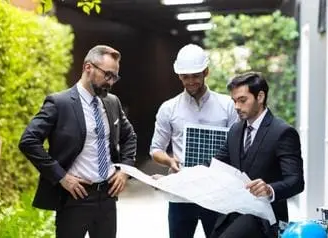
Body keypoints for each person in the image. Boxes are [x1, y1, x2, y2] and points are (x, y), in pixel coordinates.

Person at [19, 45, 137, 238]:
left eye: (115, 77)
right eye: (107, 75)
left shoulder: (112, 102)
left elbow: (129, 137)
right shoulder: (59, 103)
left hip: (107, 197)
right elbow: (28, 140)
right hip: (75, 197)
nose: (111, 82)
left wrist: (124, 170)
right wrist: (61, 177)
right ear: (88, 67)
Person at [150, 43, 239, 238]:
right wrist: (169, 161)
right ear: (179, 76)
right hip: (182, 194)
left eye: (196, 76)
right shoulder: (168, 108)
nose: (191, 81)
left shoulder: (227, 106)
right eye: (185, 77)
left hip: (217, 194)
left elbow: (238, 147)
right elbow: (156, 149)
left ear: (206, 71)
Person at [210, 72, 305, 238]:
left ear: (260, 97)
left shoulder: (283, 132)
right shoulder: (235, 130)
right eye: (234, 101)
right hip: (233, 213)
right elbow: (214, 164)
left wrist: (269, 189)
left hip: (265, 221)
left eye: (242, 100)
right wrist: (177, 177)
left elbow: (296, 182)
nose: (237, 107)